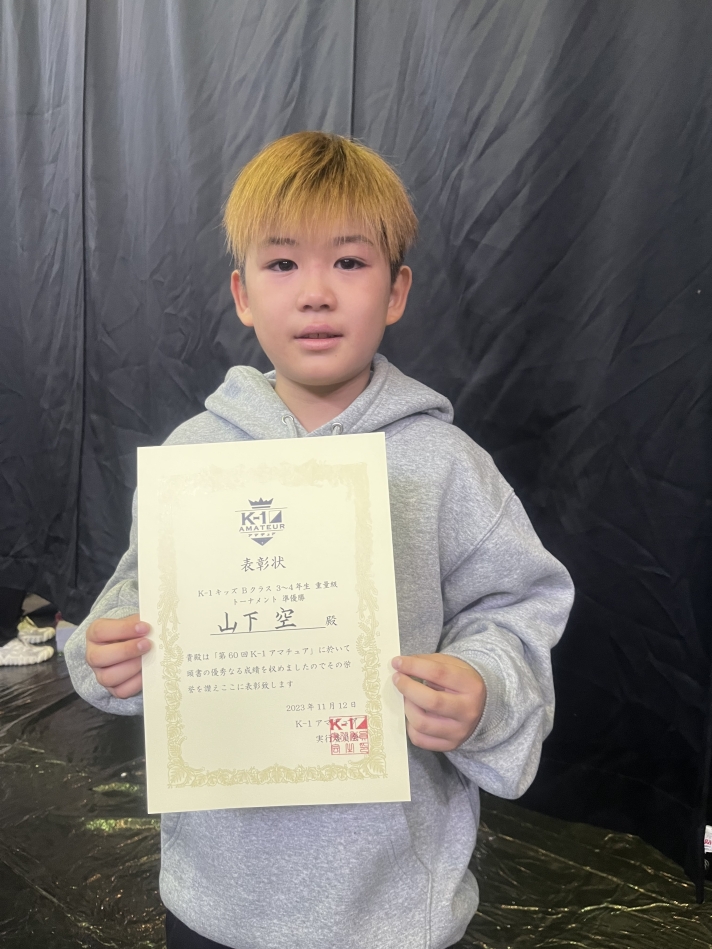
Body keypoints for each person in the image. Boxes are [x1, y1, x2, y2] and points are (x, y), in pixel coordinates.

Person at [65, 131, 574, 949]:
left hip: (393, 907)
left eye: (349, 261)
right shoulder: (195, 455)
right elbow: (133, 596)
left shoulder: (444, 463)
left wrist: (483, 683)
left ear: (396, 290)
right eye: (281, 263)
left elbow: (518, 606)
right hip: (219, 896)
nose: (315, 294)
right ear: (241, 293)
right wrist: (107, 648)